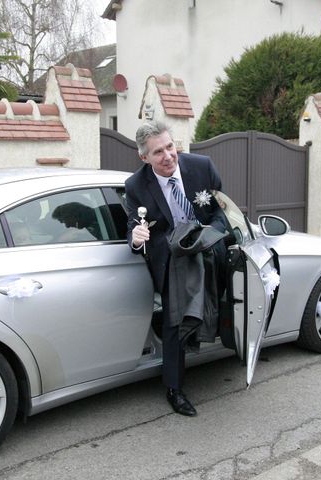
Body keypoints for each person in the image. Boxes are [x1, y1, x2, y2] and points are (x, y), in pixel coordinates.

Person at [125, 120, 228, 416]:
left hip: (208, 249)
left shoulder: (202, 167)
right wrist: (135, 237)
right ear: (144, 157)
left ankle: (227, 342)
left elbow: (223, 212)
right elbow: (134, 227)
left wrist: (208, 238)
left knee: (230, 299)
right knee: (174, 320)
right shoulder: (135, 186)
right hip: (171, 258)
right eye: (158, 152)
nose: (168, 156)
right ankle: (174, 388)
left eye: (170, 147)